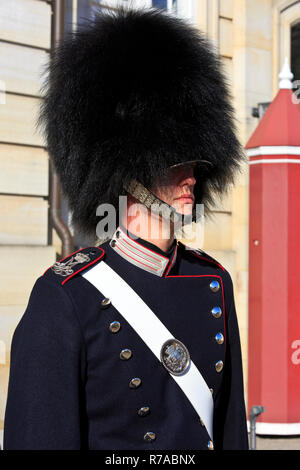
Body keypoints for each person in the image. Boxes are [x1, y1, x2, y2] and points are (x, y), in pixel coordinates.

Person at [3, 7, 248, 450]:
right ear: (128, 171)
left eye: (194, 159)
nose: (192, 174)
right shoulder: (65, 296)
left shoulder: (212, 282)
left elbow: (230, 431)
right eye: (174, 161)